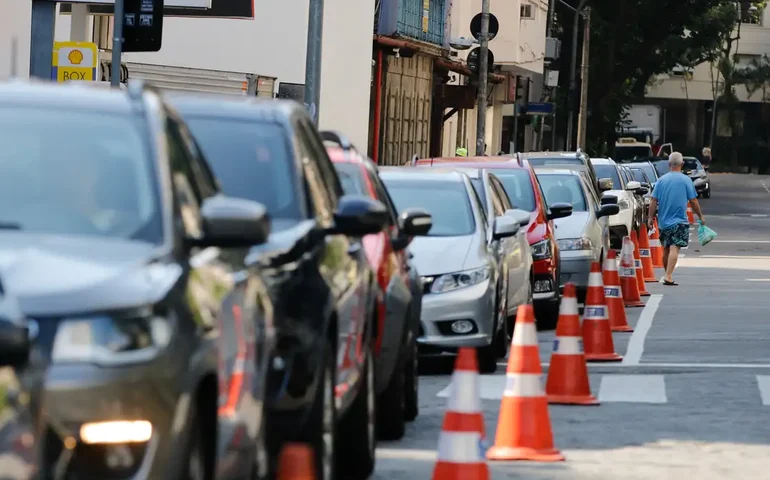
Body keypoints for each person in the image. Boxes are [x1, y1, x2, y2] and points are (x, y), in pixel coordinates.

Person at [647, 152, 705, 286]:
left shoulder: (661, 180)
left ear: (669, 164)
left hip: (663, 222)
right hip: (679, 221)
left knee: (666, 248)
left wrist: (650, 217)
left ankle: (667, 274)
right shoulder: (686, 180)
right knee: (675, 248)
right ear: (682, 164)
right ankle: (668, 275)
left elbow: (653, 200)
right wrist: (700, 216)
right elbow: (693, 200)